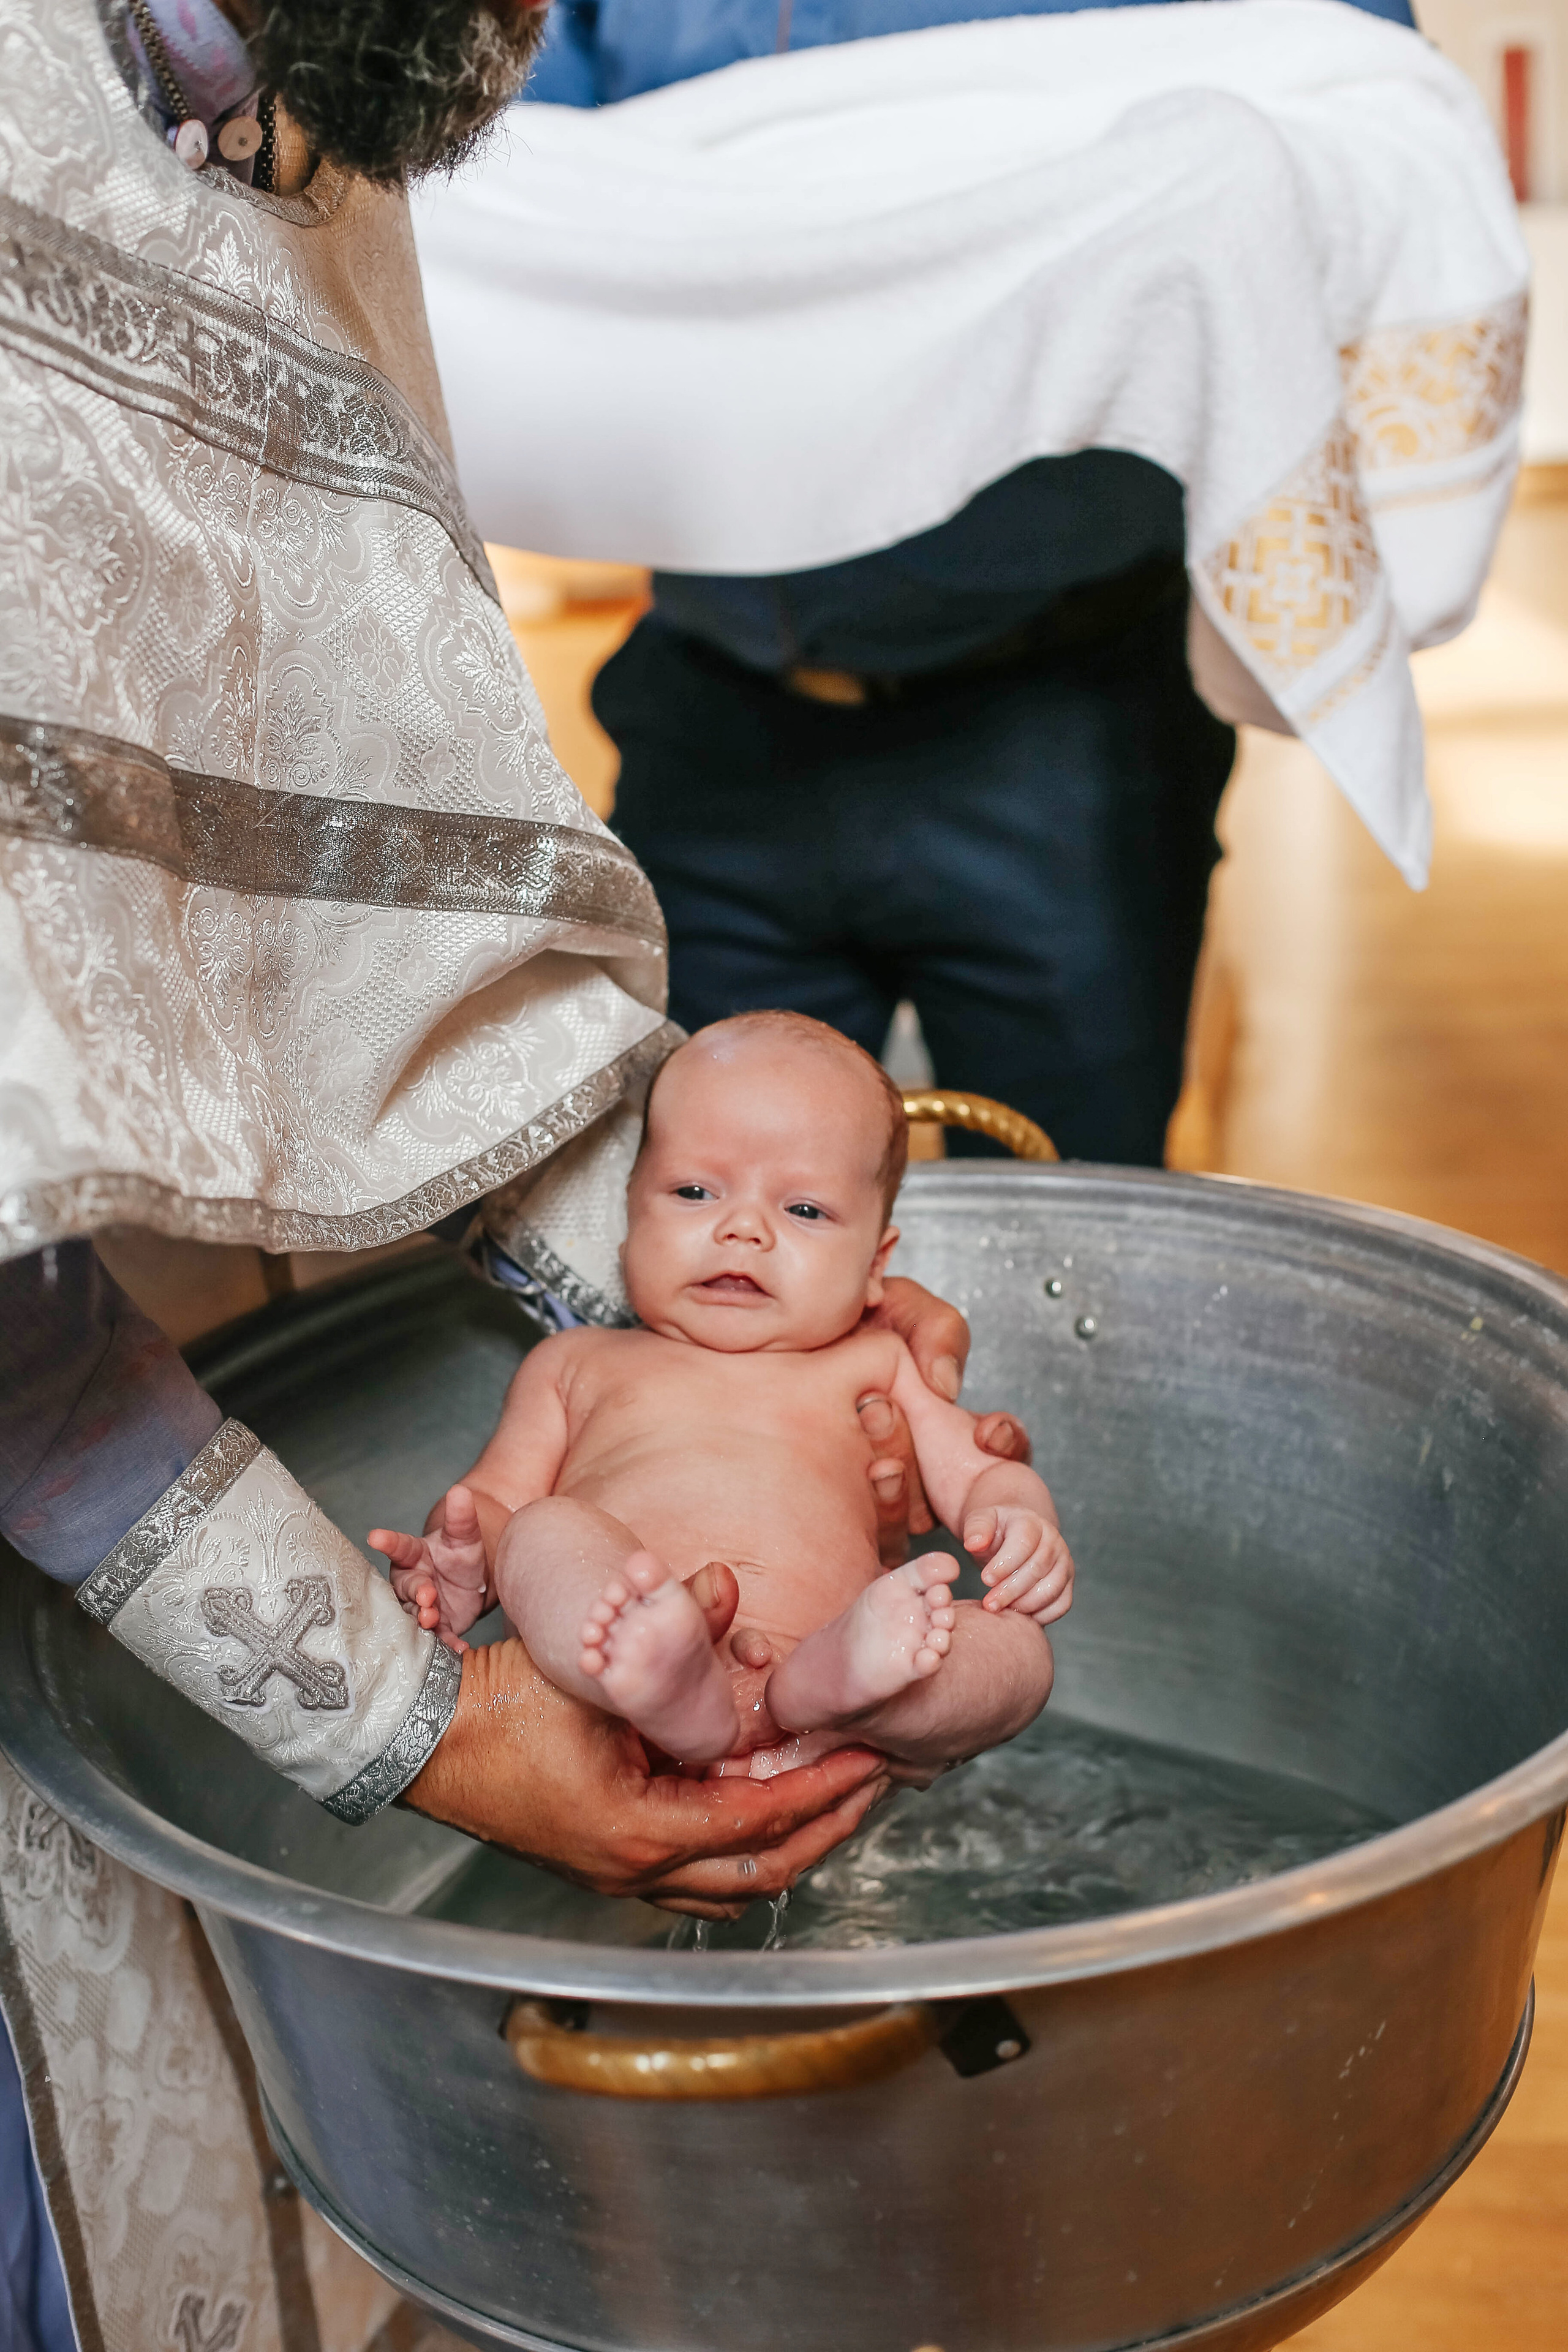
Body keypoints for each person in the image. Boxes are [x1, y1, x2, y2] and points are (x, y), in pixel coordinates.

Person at [0, 4, 1023, 2344]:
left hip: (226, 1345)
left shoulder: (328, 106)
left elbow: (377, 911)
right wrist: (421, 1716)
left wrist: (758, 1300)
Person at [525, 0, 1420, 1169]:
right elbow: (500, 163)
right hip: (711, 714)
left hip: (1059, 732)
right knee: (714, 1259)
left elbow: (1361, 88)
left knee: (1076, 1245)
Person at [373, 1014, 1074, 1779]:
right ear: (627, 1223)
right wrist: (458, 1557)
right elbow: (494, 1508)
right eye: (694, 1191)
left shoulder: (877, 1363)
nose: (742, 1228)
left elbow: (977, 1473)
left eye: (803, 1210)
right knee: (544, 1530)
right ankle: (660, 1678)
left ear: (876, 1266)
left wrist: (1017, 1515)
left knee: (1018, 1653)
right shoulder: (575, 1363)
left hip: (822, 1678)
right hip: (617, 1681)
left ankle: (850, 1693)